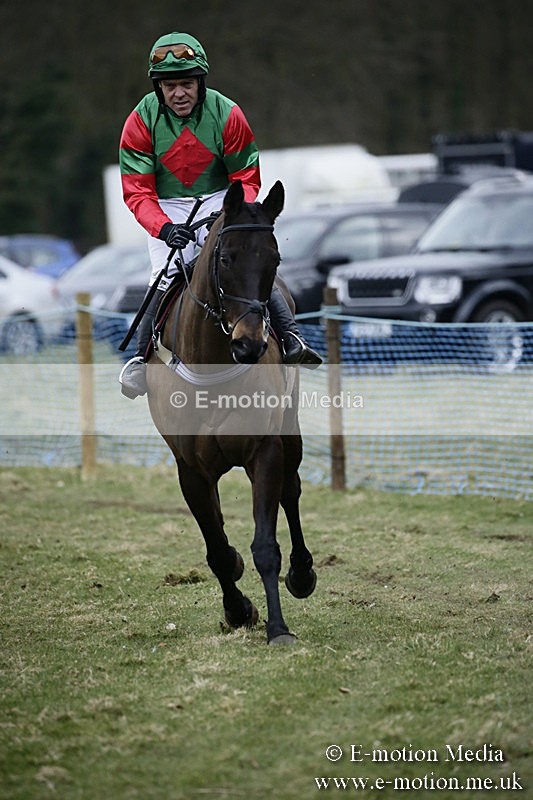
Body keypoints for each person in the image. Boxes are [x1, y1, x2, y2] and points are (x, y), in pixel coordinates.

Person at [118, 31, 322, 399]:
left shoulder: (228, 113)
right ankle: (138, 359)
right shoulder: (139, 121)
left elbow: (246, 176)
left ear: (200, 82)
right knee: (162, 277)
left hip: (221, 199)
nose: (178, 93)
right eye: (169, 85)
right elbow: (137, 191)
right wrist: (164, 229)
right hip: (166, 206)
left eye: (185, 83)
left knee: (244, 267)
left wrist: (229, 214)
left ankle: (291, 337)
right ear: (158, 87)